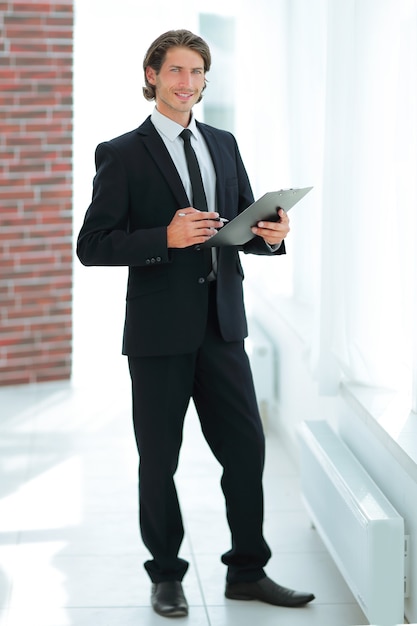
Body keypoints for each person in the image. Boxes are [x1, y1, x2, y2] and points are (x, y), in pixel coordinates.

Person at [77, 29, 315, 619]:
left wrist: (271, 236)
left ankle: (248, 571)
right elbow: (92, 245)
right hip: (159, 335)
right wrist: (164, 237)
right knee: (160, 460)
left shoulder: (224, 143)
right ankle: (166, 576)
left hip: (223, 326)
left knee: (247, 451)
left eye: (198, 72)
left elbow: (241, 223)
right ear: (152, 75)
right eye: (177, 71)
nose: (189, 83)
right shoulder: (122, 153)